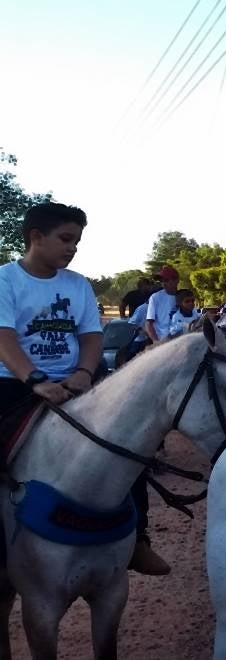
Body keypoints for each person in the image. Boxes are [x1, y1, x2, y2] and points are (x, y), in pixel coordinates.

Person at [0, 203, 168, 574]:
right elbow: (4, 338)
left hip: (74, 380)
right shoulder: (6, 280)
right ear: (36, 237)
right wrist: (36, 380)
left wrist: (83, 372)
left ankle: (138, 538)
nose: (72, 247)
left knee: (126, 443)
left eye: (76, 241)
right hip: (14, 381)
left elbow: (92, 336)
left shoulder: (77, 285)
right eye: (65, 239)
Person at [144, 265, 180, 346]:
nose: (163, 284)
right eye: (162, 281)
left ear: (177, 280)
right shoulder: (155, 297)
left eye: (166, 280)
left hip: (182, 342)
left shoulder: (184, 297)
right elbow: (148, 323)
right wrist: (156, 342)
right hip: (163, 343)